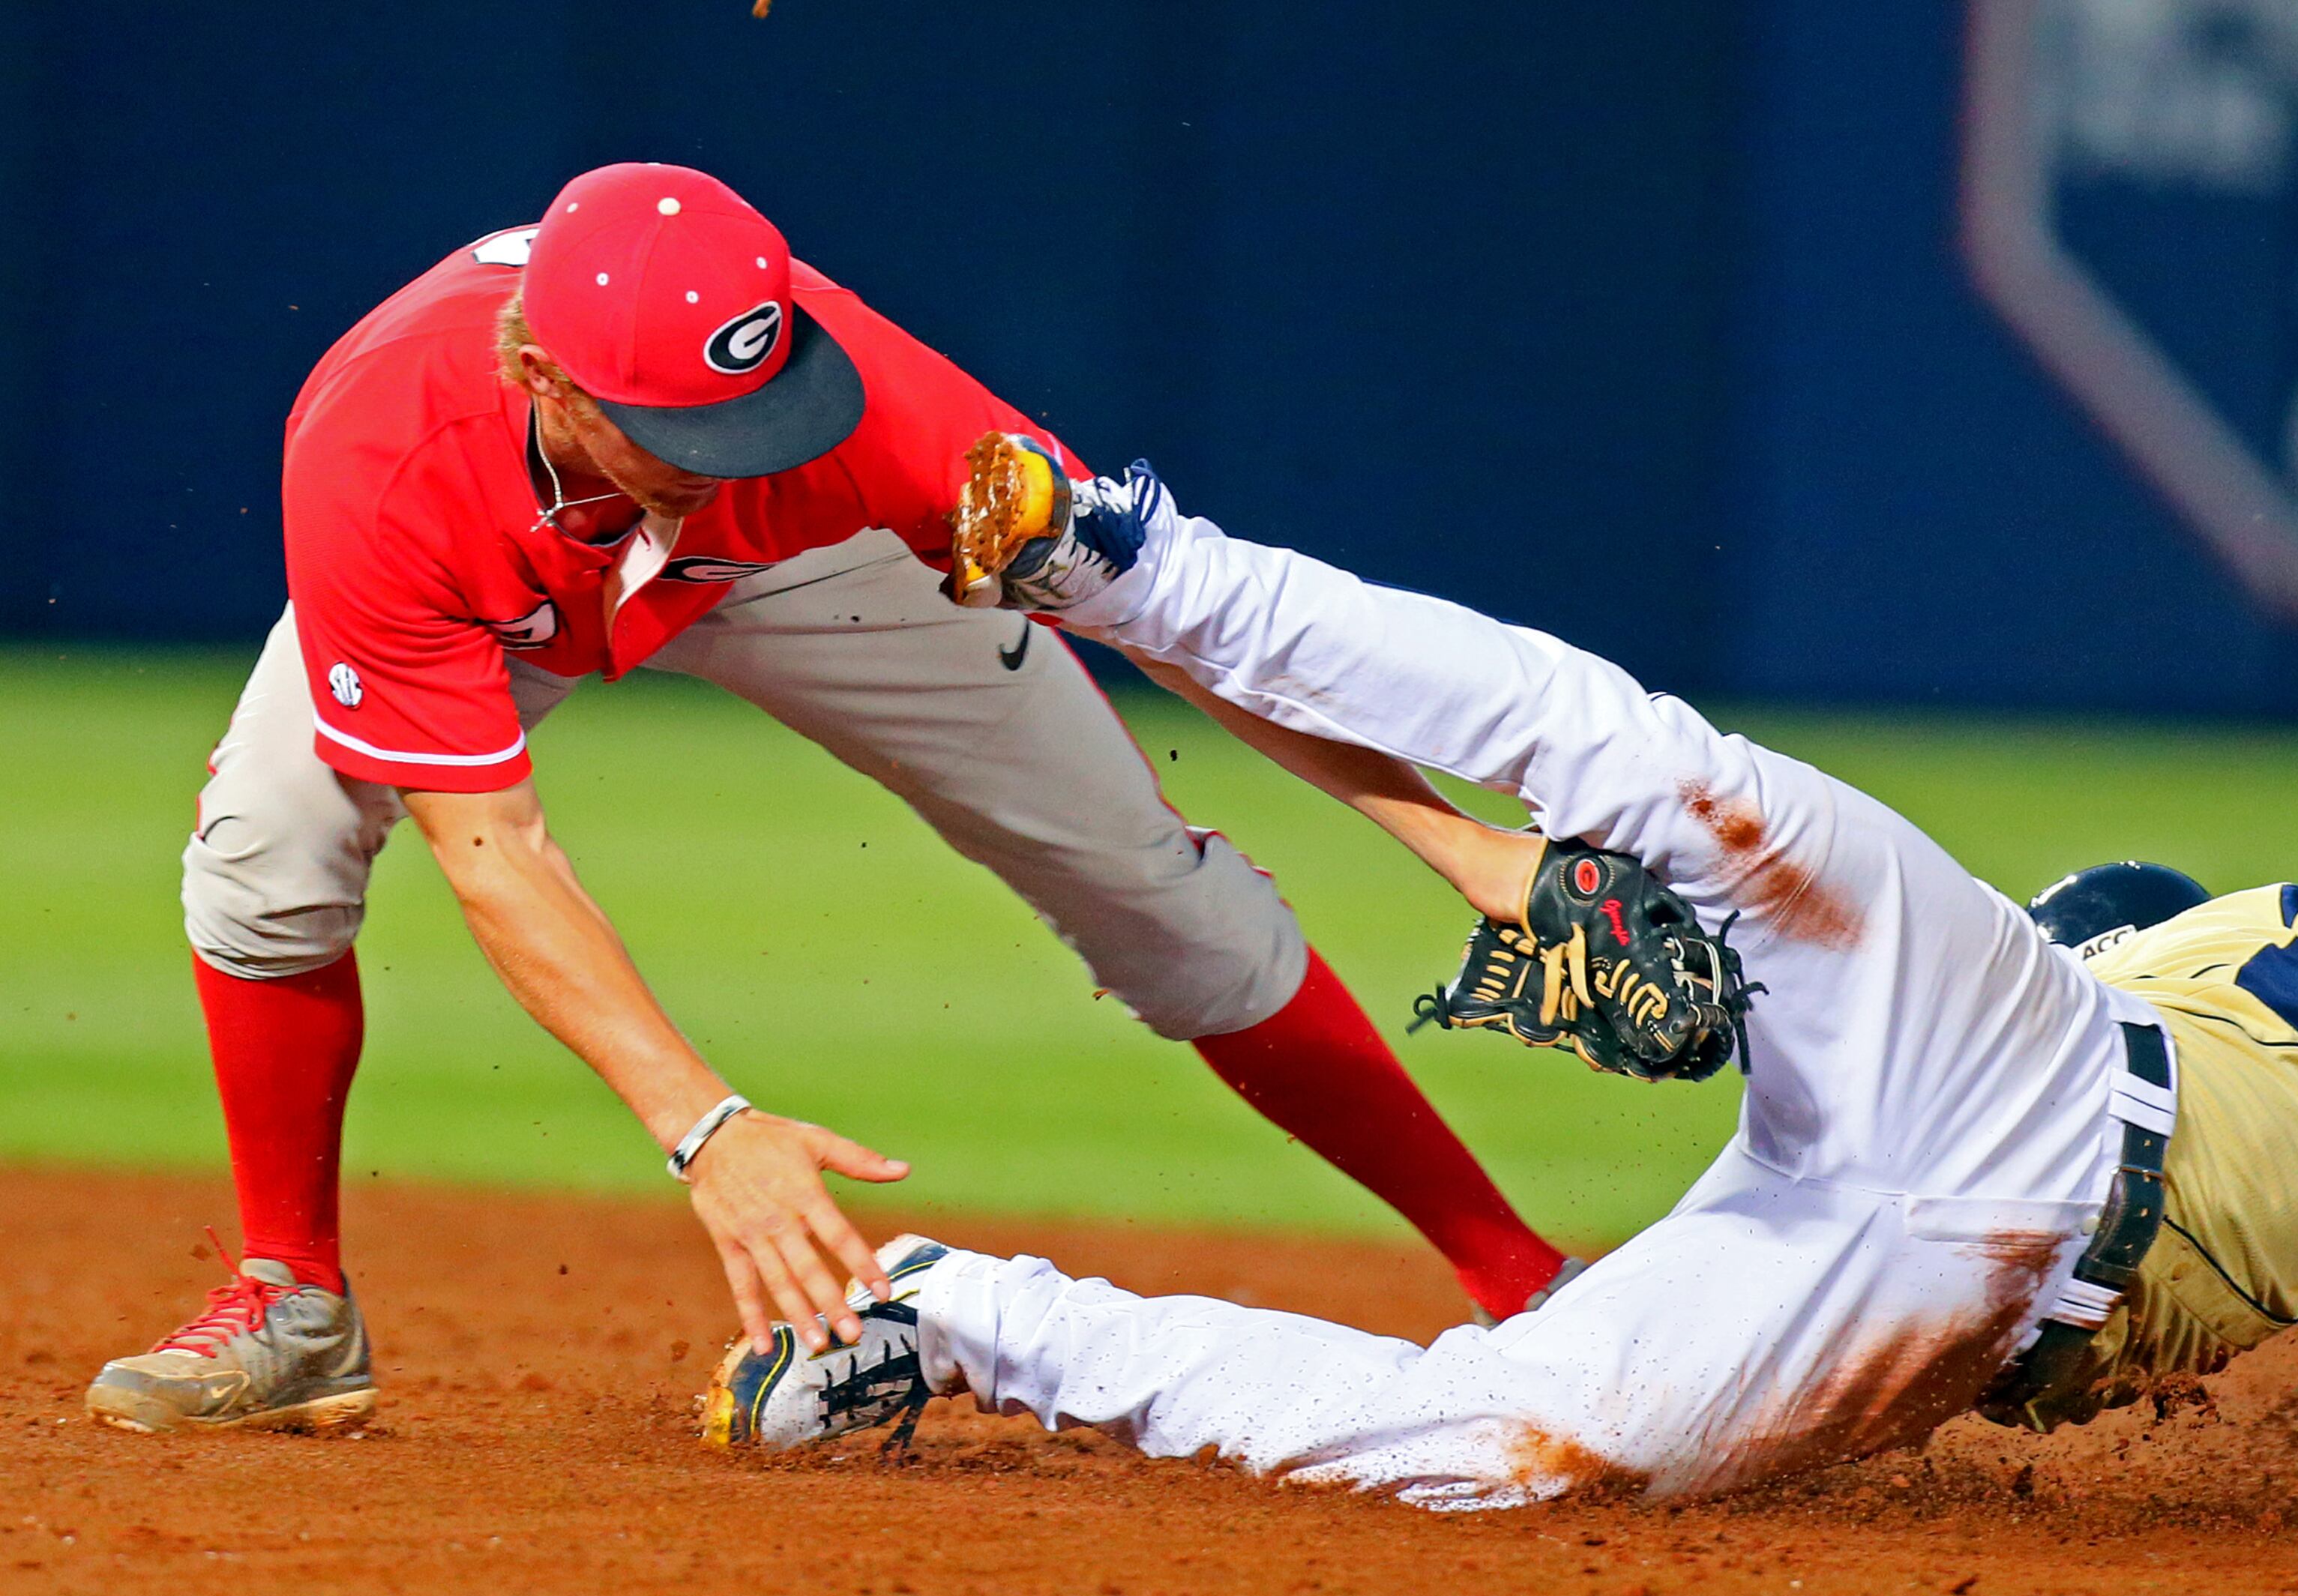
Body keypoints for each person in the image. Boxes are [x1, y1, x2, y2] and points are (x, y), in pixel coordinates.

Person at [706, 446, 2298, 1539]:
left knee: (1492, 1444)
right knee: (1635, 761)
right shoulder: (2254, 958)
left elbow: (1465, 829)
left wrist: (1149, 650)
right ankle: (1127, 547)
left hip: (1912, 1233)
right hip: (2024, 1088)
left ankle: (946, 1309)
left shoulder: (2242, 947)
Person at [85, 165, 1574, 1437]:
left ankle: (1522, 1279)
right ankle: (292, 1301)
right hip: (489, 586)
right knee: (265, 851)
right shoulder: (383, 457)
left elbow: (1176, 619)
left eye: (763, 400)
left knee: (1159, 890)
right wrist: (705, 1126)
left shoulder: (857, 415)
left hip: (811, 561)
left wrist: (1458, 844)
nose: (740, 442)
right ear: (542, 380)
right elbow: (494, 850)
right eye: (691, 428)